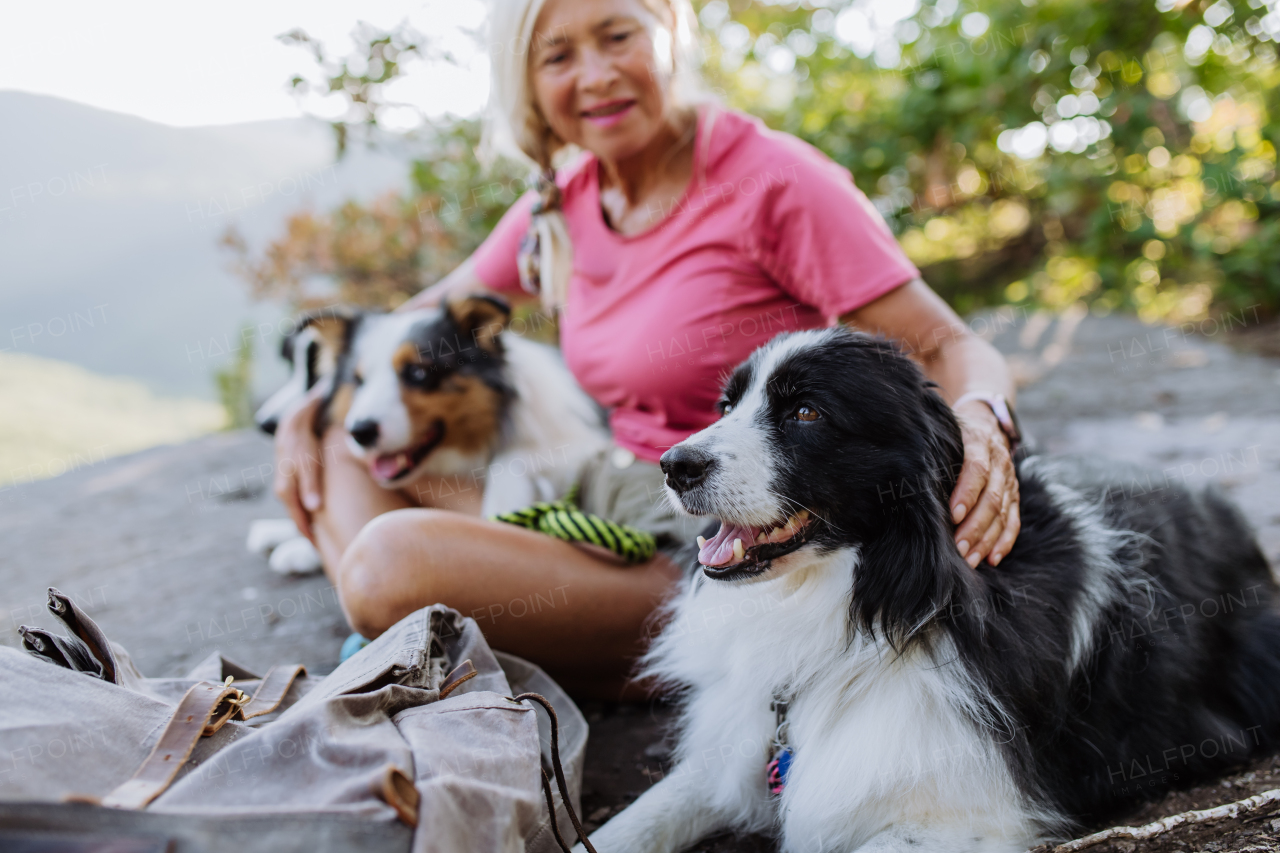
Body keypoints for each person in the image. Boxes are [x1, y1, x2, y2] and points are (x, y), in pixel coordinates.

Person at [272, 0, 1022, 698]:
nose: (596, 74)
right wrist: (316, 400)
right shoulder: (564, 200)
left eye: (618, 35)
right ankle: (410, 640)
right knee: (339, 435)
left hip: (725, 543)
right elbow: (421, 317)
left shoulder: (774, 181)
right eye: (557, 55)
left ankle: (409, 635)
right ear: (529, 86)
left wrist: (982, 420)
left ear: (668, 30)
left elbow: (949, 344)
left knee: (385, 564)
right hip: (603, 498)